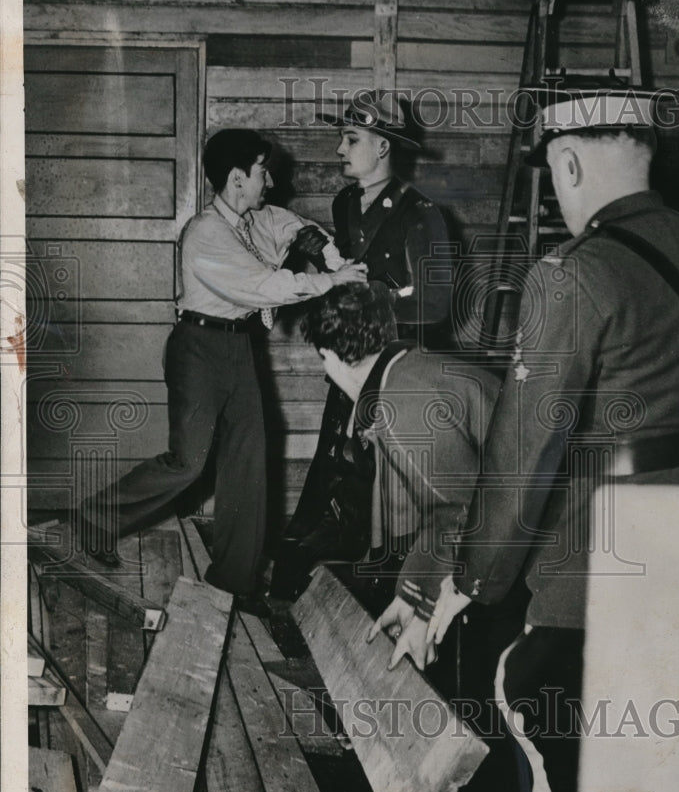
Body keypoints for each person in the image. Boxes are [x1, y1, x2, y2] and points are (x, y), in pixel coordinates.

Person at [383, 85, 679, 792]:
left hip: (610, 571)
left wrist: (469, 583)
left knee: (532, 706)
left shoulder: (570, 275)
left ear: (567, 161)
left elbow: (523, 459)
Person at [78, 128, 367, 615]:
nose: (270, 181)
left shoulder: (258, 218)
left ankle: (234, 581)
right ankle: (93, 519)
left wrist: (333, 255)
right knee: (188, 463)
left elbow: (296, 227)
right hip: (199, 348)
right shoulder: (205, 234)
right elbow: (261, 286)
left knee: (248, 462)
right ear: (237, 178)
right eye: (262, 172)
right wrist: (330, 280)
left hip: (239, 350)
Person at [273, 91, 454, 589]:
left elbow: (436, 305)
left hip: (395, 369)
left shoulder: (422, 215)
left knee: (388, 481)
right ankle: (308, 581)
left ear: (382, 149)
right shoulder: (345, 204)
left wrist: (369, 296)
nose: (338, 149)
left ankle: (389, 579)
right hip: (351, 368)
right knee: (339, 469)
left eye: (350, 139)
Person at [288, 281, 499, 650]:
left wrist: (422, 610)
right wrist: (408, 595)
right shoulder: (410, 368)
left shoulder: (400, 405)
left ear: (332, 357)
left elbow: (460, 513)